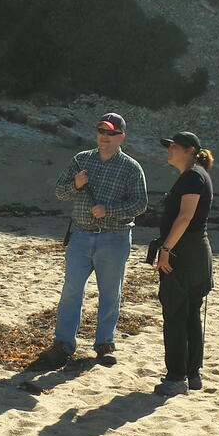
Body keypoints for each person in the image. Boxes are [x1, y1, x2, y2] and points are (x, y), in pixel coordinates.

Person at [41, 112, 148, 367]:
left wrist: (108, 210)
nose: (105, 137)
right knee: (71, 292)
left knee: (110, 294)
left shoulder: (131, 167)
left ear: (121, 137)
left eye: (111, 133)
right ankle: (63, 344)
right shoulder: (81, 160)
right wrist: (76, 185)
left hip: (115, 238)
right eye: (101, 131)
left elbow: (140, 204)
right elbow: (60, 192)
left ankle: (104, 345)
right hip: (80, 236)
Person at [152, 131, 215, 396]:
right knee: (189, 314)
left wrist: (166, 249)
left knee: (176, 314)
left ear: (189, 150)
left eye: (174, 146)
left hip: (186, 254)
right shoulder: (196, 174)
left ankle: (177, 377)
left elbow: (186, 217)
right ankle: (192, 374)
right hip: (194, 253)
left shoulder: (193, 176)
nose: (169, 149)